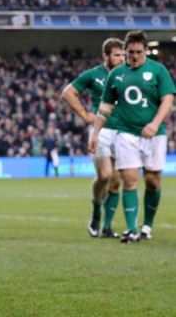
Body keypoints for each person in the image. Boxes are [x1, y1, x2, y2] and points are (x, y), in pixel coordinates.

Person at [89, 30, 175, 243]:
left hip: (154, 135)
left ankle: (147, 226)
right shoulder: (116, 75)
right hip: (126, 134)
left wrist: (155, 124)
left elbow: (167, 100)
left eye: (138, 52)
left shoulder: (158, 70)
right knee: (129, 179)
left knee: (153, 182)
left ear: (146, 50)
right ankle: (131, 229)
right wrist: (96, 133)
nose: (134, 56)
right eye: (130, 52)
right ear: (125, 51)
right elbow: (105, 107)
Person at [61, 38, 125, 238]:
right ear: (106, 56)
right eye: (117, 55)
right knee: (104, 175)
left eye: (124, 55)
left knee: (116, 182)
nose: (122, 59)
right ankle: (96, 212)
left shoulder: (130, 75)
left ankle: (106, 227)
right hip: (102, 131)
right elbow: (68, 93)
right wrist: (85, 115)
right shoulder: (93, 75)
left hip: (123, 131)